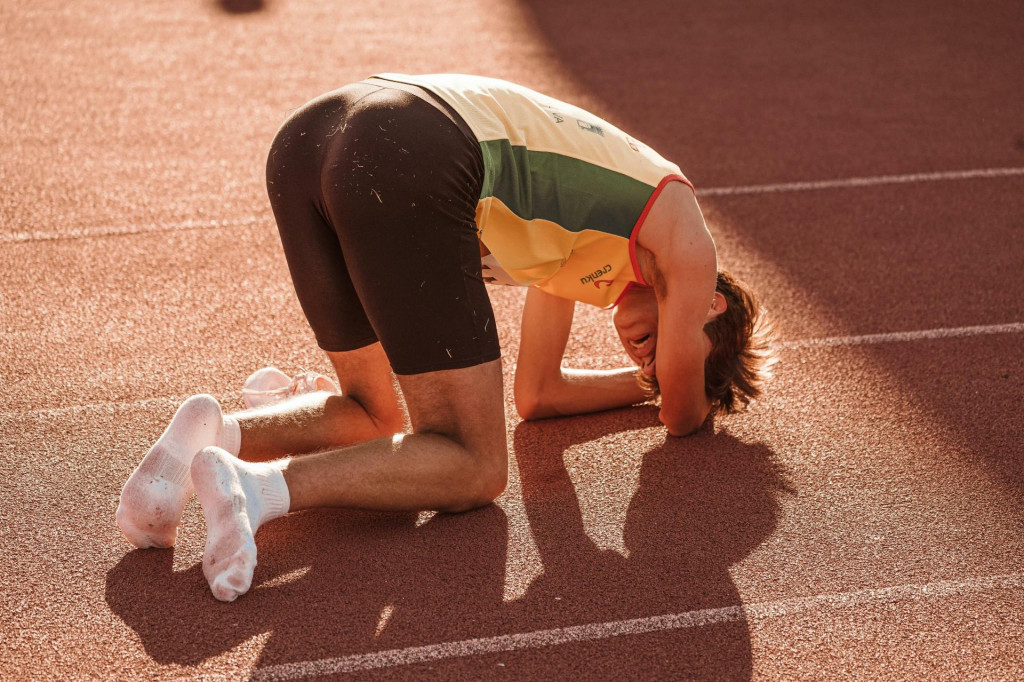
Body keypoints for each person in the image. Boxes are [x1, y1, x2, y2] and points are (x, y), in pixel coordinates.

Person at [115, 74, 774, 602]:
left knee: (375, 416)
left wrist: (642, 383)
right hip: (408, 151)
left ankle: (208, 436)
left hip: (313, 139)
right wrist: (671, 388)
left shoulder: (585, 259)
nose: (648, 353)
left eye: (647, 357)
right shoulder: (684, 235)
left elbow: (538, 395)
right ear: (708, 303)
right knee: (475, 467)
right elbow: (682, 411)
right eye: (667, 344)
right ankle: (253, 490)